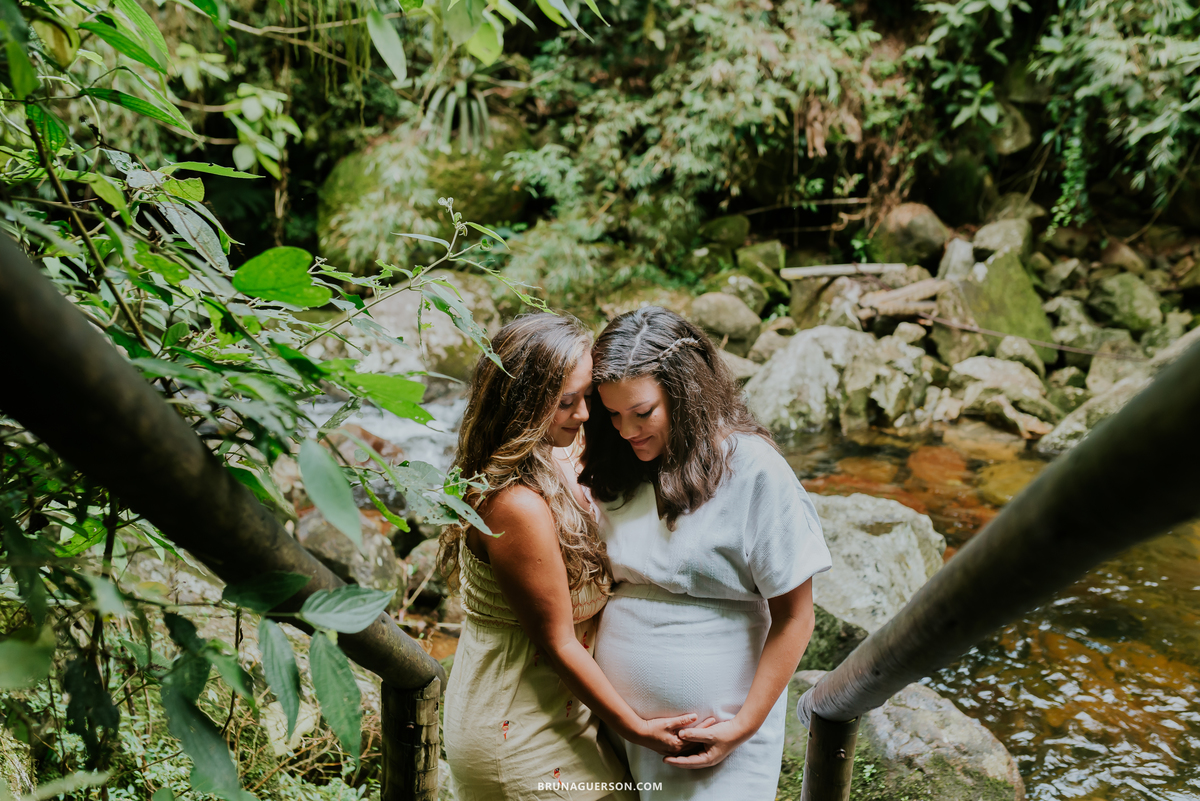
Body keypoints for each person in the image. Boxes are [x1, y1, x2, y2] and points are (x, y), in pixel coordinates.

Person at [438, 312, 703, 801]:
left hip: (566, 717)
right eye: (566, 402)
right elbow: (558, 642)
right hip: (515, 734)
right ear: (524, 403)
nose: (585, 416)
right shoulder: (515, 504)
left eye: (586, 396)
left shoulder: (562, 449)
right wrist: (637, 728)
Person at [580, 306, 832, 800]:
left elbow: (796, 617)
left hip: (721, 734)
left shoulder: (753, 468)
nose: (627, 430)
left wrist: (744, 726)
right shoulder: (617, 463)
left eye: (643, 412)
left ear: (684, 393)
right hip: (621, 734)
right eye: (612, 414)